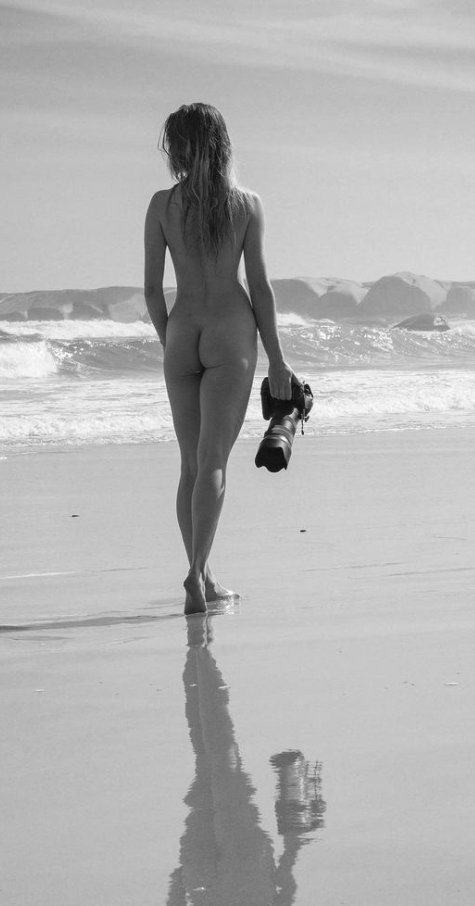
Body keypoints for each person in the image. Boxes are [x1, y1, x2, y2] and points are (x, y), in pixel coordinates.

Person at [144, 103, 296, 615]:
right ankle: (196, 575)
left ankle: (204, 576)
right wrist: (277, 360)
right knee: (212, 463)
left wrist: (170, 341)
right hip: (231, 335)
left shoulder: (161, 205)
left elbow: (151, 291)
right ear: (222, 144)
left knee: (189, 464)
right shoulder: (245, 205)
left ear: (178, 149)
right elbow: (260, 288)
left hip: (182, 333)